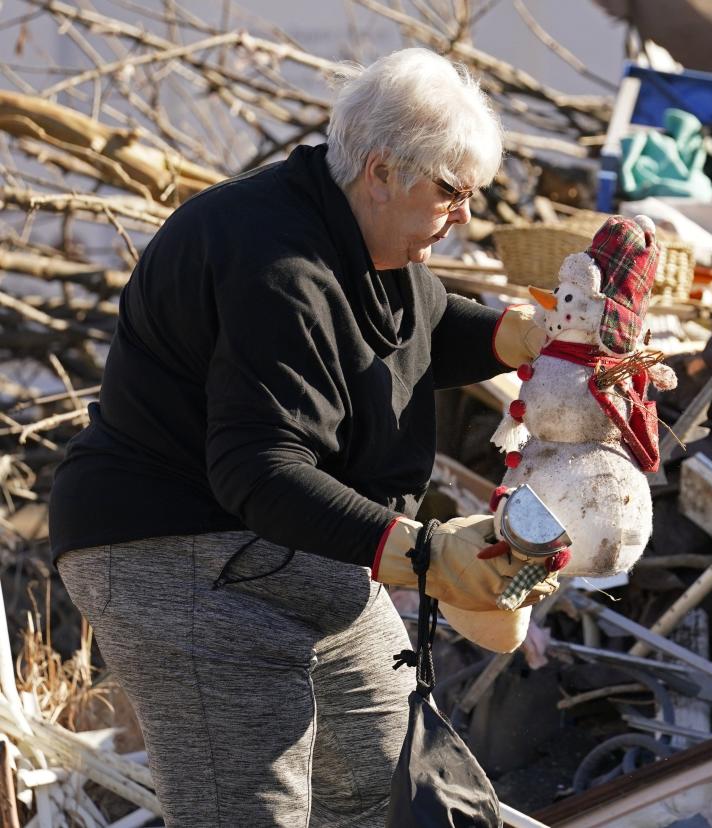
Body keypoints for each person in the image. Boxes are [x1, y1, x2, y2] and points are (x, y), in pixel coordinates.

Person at [49, 48, 553, 826]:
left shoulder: (357, 231)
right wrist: (425, 554)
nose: (464, 218)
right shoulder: (274, 260)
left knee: (393, 796)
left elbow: (411, 323)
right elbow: (260, 468)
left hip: (295, 554)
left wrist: (525, 338)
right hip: (181, 560)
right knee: (251, 815)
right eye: (452, 193)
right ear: (382, 170)